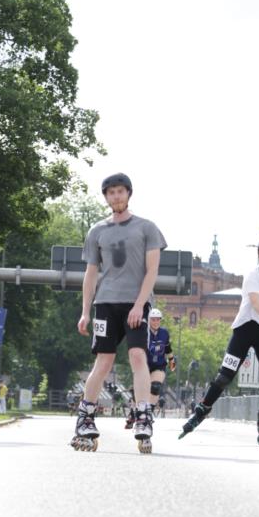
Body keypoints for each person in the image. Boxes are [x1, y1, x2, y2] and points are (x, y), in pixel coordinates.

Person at [72, 172, 167, 453]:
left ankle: (143, 414)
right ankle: (85, 416)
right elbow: (91, 273)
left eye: (120, 192)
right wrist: (85, 312)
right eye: (110, 193)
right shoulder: (97, 231)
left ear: (128, 194)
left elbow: (152, 271)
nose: (116, 196)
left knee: (138, 356)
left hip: (135, 303)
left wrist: (140, 305)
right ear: (106, 197)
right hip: (105, 303)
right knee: (104, 360)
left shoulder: (147, 228)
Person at [179, 235, 259, 445]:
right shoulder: (252, 275)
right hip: (245, 328)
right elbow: (255, 302)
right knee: (225, 376)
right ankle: (202, 410)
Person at [124, 308, 176, 427]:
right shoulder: (143, 332)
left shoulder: (164, 333)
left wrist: (172, 360)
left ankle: (148, 412)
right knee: (138, 390)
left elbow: (167, 348)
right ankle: (134, 412)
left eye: (158, 319)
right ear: (149, 320)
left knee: (155, 387)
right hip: (144, 366)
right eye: (153, 319)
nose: (156, 322)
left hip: (159, 365)